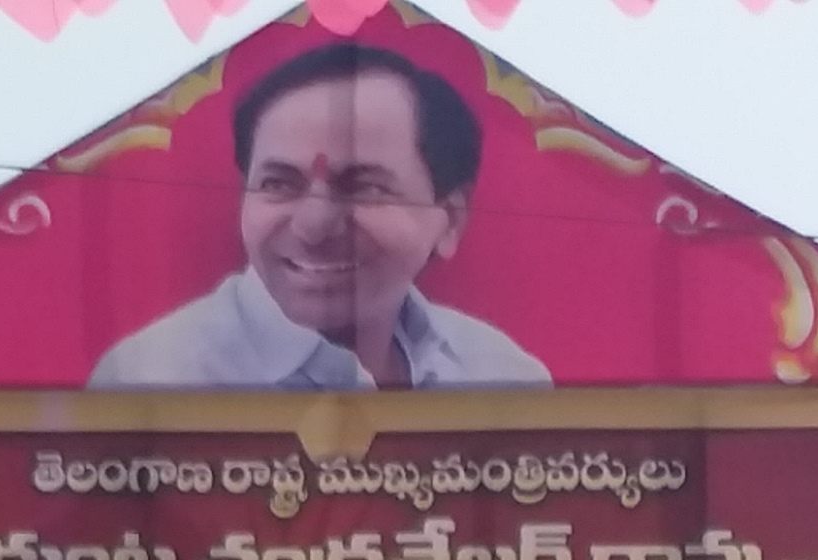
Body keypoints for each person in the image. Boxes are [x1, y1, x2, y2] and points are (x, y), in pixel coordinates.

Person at [85, 44, 548, 393]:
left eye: (363, 186)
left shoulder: (502, 379)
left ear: (448, 220)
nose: (314, 224)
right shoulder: (151, 385)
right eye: (279, 184)